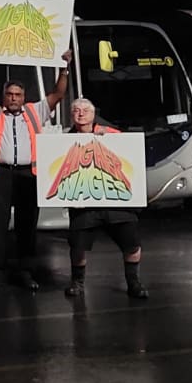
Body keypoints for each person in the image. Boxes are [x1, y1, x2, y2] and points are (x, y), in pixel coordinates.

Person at [0, 50, 71, 291]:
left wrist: (64, 68)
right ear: (4, 96)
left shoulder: (34, 111)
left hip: (27, 175)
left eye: (17, 95)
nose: (13, 98)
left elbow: (58, 94)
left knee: (27, 225)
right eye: (9, 94)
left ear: (24, 97)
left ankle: (25, 270)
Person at [63, 97, 149, 299]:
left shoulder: (111, 134)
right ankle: (77, 283)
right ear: (71, 114)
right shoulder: (64, 141)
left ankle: (133, 283)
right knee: (77, 245)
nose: (81, 113)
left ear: (94, 114)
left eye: (85, 110)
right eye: (76, 110)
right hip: (84, 203)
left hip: (115, 201)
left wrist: (110, 141)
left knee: (132, 244)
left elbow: (130, 157)